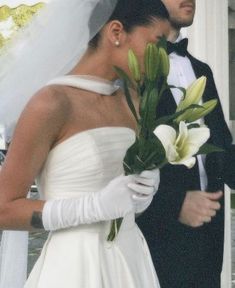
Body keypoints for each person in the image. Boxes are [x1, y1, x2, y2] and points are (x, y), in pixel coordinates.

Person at [0, 0, 170, 287]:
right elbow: (4, 210)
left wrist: (141, 194)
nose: (163, 57)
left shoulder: (132, 104)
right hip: (76, 266)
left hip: (130, 261)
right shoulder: (52, 103)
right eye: (158, 42)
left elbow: (120, 198)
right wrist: (92, 207)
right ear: (116, 31)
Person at [137, 0, 235, 287]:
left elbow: (221, 148)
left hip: (209, 243)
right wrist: (173, 204)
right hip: (157, 239)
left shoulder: (202, 70)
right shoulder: (132, 70)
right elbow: (117, 160)